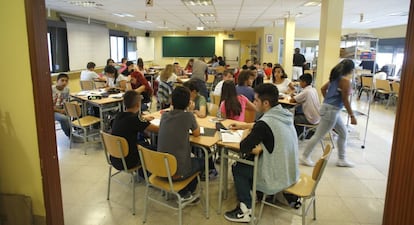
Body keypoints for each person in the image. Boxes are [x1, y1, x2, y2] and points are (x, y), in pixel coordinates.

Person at [224, 83, 299, 223]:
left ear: (266, 103)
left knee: (238, 167)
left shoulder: (264, 124)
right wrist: (245, 125)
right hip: (290, 170)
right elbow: (262, 124)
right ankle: (255, 192)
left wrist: (246, 131)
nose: (253, 103)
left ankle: (245, 210)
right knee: (253, 158)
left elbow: (244, 147)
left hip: (275, 174)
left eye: (256, 100)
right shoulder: (284, 114)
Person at [300, 59, 357, 168]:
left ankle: (341, 159)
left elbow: (323, 89)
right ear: (351, 70)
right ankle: (304, 156)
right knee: (319, 135)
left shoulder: (335, 78)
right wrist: (352, 116)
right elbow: (345, 100)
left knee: (343, 133)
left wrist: (328, 100)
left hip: (329, 109)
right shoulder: (345, 81)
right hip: (331, 111)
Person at [157, 86, 204, 201]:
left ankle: (183, 190)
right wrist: (190, 111)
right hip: (177, 173)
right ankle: (185, 193)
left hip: (160, 168)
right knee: (202, 161)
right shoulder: (188, 116)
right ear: (189, 102)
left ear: (171, 101)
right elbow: (197, 133)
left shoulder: (164, 115)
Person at [111, 91, 159, 170]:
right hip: (129, 161)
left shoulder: (119, 116)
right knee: (155, 149)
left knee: (143, 142)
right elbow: (157, 130)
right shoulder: (135, 119)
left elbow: (136, 121)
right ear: (138, 104)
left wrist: (144, 119)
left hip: (116, 158)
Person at [52, 73, 71, 138]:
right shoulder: (51, 90)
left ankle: (75, 131)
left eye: (66, 81)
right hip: (53, 111)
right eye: (62, 80)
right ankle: (70, 135)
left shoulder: (67, 90)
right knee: (64, 119)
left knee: (77, 111)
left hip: (62, 109)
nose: (64, 83)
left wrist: (66, 109)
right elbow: (48, 106)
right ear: (57, 81)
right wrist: (60, 111)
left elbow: (66, 101)